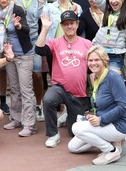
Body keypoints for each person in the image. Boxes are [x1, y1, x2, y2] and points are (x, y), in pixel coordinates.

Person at [35, 10, 92, 148]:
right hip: (59, 87)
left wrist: (94, 91)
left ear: (77, 24)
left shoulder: (87, 44)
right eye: (65, 24)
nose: (69, 26)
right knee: (48, 99)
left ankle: (67, 118)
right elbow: (39, 50)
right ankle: (53, 134)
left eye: (71, 23)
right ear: (61, 26)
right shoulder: (55, 42)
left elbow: (92, 69)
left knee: (74, 131)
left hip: (78, 93)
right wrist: (45, 28)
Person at [68, 46, 126, 165]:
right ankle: (110, 142)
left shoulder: (113, 78)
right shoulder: (96, 78)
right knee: (73, 147)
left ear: (104, 61)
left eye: (97, 60)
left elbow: (123, 106)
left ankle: (111, 150)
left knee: (76, 128)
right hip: (103, 122)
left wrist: (101, 120)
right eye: (90, 60)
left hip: (118, 125)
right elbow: (101, 105)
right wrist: (92, 116)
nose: (93, 63)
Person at [0, 0, 37, 137]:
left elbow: (27, 29)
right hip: (9, 56)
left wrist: (18, 26)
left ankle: (29, 124)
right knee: (14, 89)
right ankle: (16, 118)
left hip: (23, 54)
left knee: (26, 90)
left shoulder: (16, 10)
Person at [10, 0, 45, 122]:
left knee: (37, 74)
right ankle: (21, 110)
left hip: (33, 40)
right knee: (17, 78)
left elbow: (41, 16)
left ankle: (38, 105)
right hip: (17, 40)